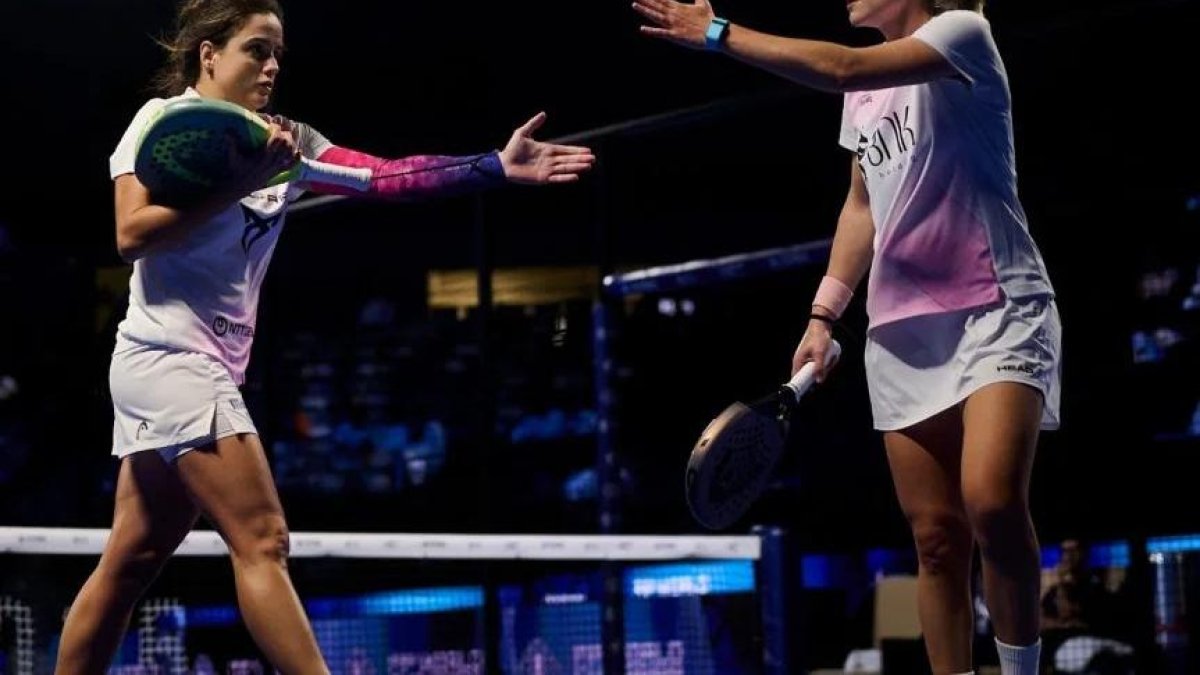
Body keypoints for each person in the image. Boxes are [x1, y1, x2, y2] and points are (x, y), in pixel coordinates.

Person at [56, 1, 594, 673]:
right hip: (168, 357)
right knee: (263, 539)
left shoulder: (288, 143)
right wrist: (238, 183)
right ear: (209, 55)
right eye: (256, 49)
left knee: (130, 560)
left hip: (189, 366)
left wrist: (493, 166)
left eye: (278, 53)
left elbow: (385, 176)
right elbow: (130, 234)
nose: (272, 66)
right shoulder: (161, 121)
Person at [633, 2, 1060, 674]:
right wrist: (822, 315)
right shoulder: (862, 102)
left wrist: (717, 33)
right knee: (936, 538)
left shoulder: (962, 36)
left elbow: (841, 66)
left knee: (993, 501)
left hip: (996, 310)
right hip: (901, 333)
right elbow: (862, 205)